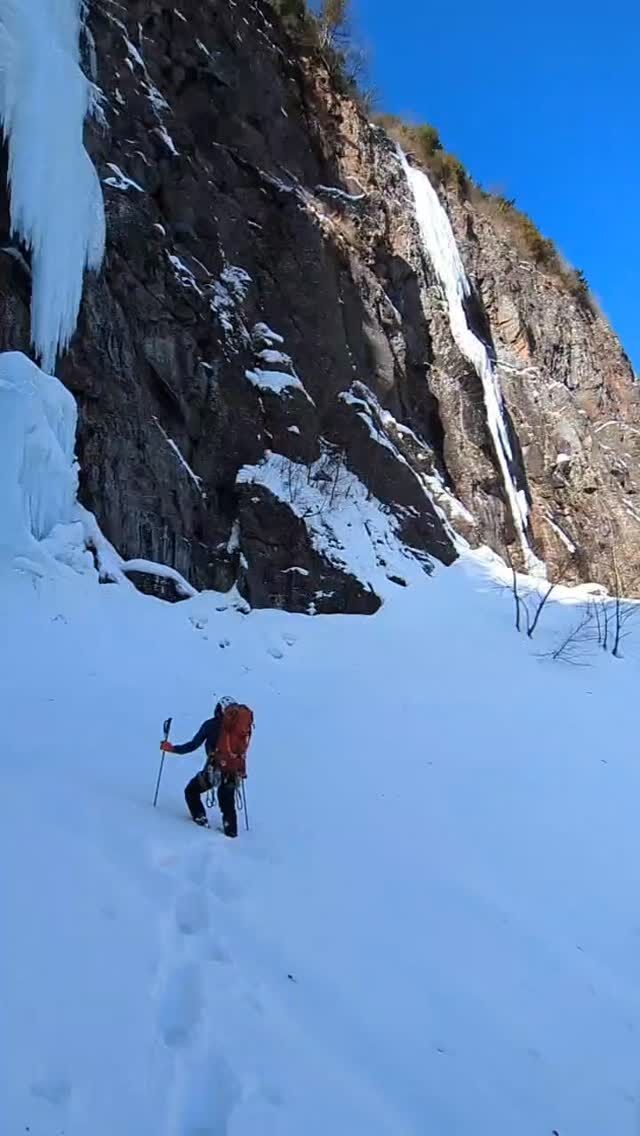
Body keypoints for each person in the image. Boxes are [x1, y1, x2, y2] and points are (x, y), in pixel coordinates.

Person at [160, 696, 249, 837]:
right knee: (228, 804)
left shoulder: (211, 725)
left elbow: (193, 745)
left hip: (213, 770)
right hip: (233, 771)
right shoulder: (240, 728)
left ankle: (200, 820)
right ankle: (231, 834)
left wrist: (172, 749)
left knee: (191, 791)